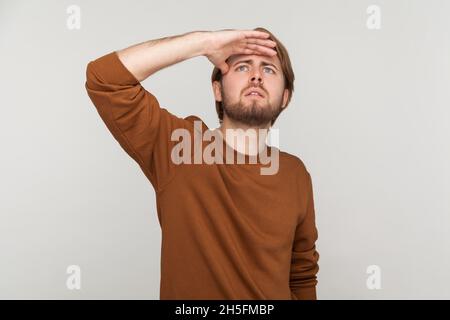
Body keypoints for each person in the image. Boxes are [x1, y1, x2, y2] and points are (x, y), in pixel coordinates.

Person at [85, 28, 319, 300]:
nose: (256, 75)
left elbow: (302, 274)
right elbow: (105, 79)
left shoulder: (295, 174)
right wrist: (204, 43)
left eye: (268, 69)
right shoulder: (179, 148)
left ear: (285, 97)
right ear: (217, 89)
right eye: (242, 66)